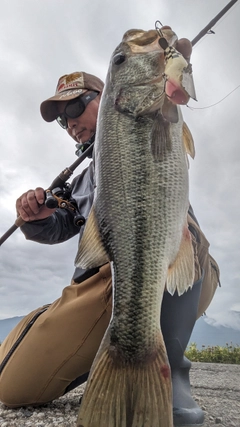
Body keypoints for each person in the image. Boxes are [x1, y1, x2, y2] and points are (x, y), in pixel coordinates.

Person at [0, 38, 220, 427]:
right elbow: (60, 225)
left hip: (177, 270)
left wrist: (174, 67)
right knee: (10, 385)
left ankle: (170, 372)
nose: (68, 123)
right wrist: (35, 219)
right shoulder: (82, 181)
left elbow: (173, 89)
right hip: (104, 290)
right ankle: (93, 353)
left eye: (74, 106)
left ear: (107, 97)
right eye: (61, 119)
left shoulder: (155, 116)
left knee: (179, 231)